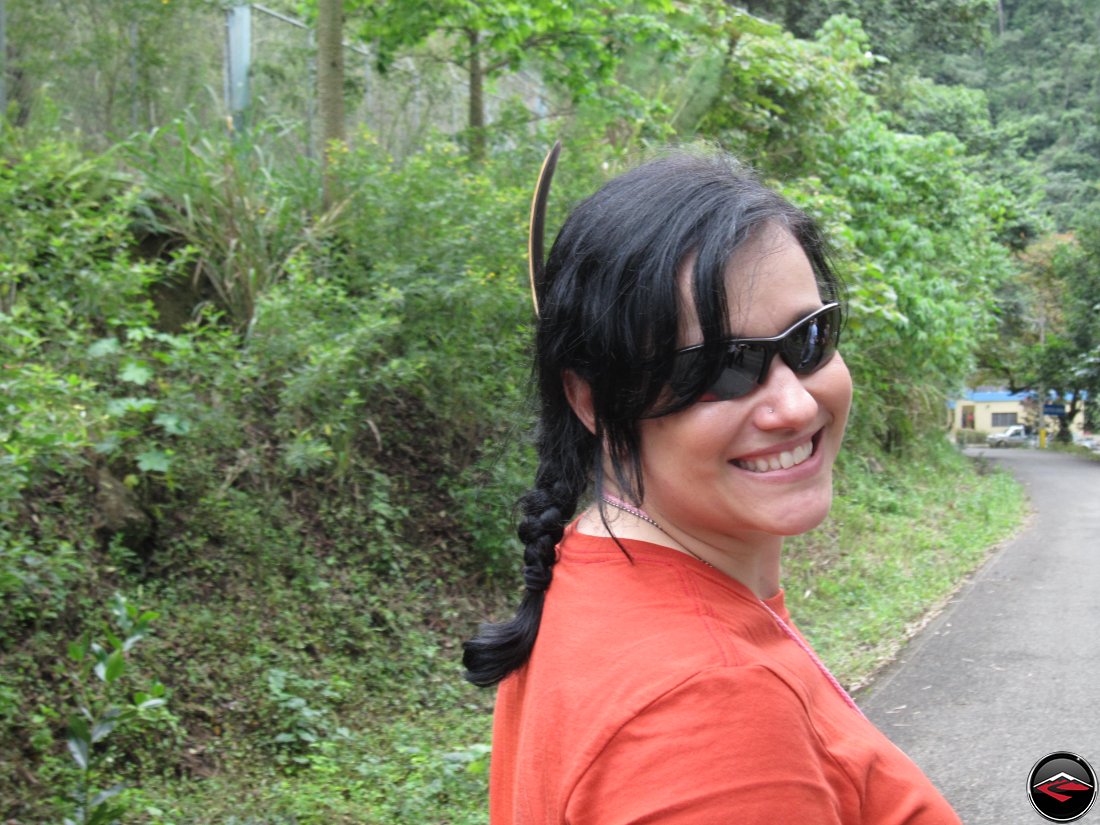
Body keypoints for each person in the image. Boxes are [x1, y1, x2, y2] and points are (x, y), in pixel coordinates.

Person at [463, 145, 961, 824]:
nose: (793, 403)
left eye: (809, 338)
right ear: (590, 399)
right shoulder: (710, 702)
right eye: (725, 366)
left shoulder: (590, 568)